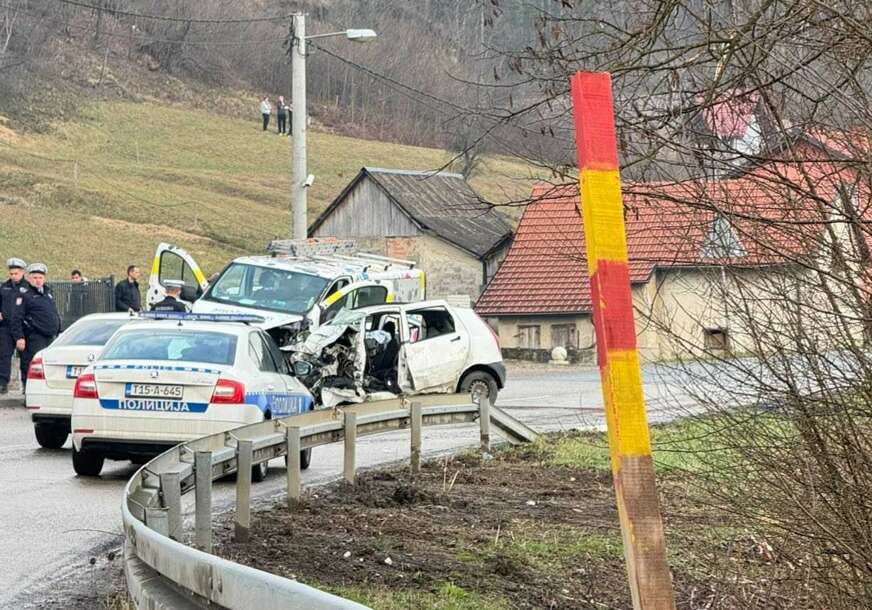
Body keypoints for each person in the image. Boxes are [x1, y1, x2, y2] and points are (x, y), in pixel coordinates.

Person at [13, 263, 60, 391]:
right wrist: (19, 337)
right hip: (33, 337)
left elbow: (53, 313)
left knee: (46, 365)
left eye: (40, 277)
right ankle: (28, 391)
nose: (38, 280)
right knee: (30, 365)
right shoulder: (25, 295)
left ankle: (43, 391)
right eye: (35, 277)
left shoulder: (47, 293)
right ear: (29, 278)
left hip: (49, 337)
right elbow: (16, 318)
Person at [0, 258, 29, 394]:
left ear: (22, 272)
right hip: (5, 327)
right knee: (4, 355)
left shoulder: (28, 288)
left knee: (25, 358)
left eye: (16, 273)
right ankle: (2, 383)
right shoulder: (4, 287)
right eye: (11, 274)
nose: (13, 276)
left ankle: (26, 384)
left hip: (23, 328)